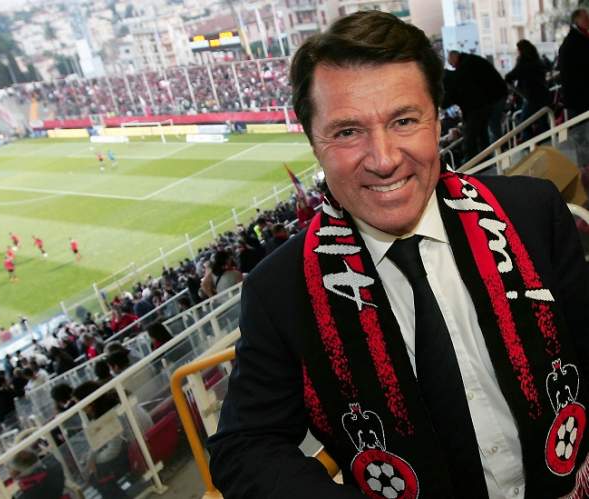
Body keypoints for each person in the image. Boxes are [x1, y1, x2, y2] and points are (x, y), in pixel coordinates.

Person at [208, 11, 589, 499]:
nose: (384, 159)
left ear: (437, 120)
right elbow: (244, 448)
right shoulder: (281, 289)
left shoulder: (532, 213)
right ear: (313, 143)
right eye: (348, 132)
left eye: (404, 121)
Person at [445, 50, 507, 161]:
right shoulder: (470, 61)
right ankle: (493, 156)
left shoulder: (465, 67)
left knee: (491, 128)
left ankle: (500, 156)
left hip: (493, 97)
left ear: (455, 57)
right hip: (492, 97)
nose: (453, 67)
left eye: (452, 64)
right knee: (485, 131)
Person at [504, 39, 551, 140]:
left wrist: (516, 89)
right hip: (543, 95)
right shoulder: (537, 61)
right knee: (543, 122)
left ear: (521, 51)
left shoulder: (523, 64)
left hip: (532, 98)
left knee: (524, 124)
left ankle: (530, 144)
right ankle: (548, 142)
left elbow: (509, 77)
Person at [558, 8, 589, 119]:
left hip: (580, 96)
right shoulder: (575, 41)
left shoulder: (580, 38)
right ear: (577, 21)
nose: (588, 20)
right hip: (579, 97)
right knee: (580, 127)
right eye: (586, 18)